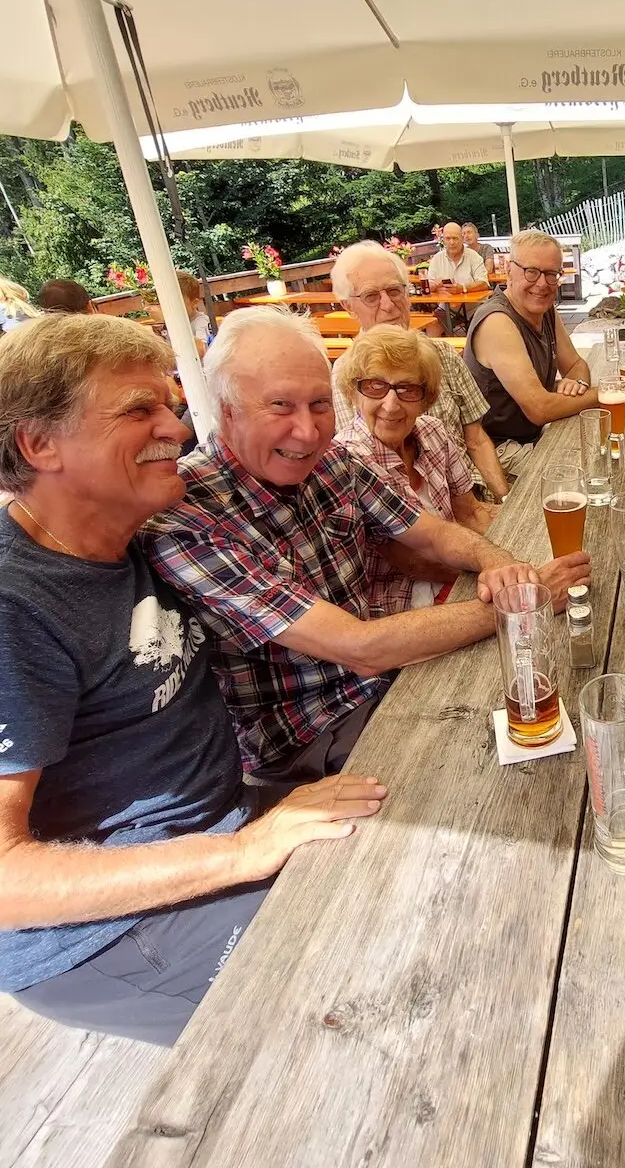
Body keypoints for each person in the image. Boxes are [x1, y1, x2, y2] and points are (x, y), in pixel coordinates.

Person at [0, 314, 385, 1044]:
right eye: (138, 410)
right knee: (366, 995)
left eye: (171, 406)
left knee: (421, 839)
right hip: (104, 936)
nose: (177, 429)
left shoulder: (141, 534)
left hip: (230, 819)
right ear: (38, 444)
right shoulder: (16, 607)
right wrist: (243, 852)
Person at [143, 308, 587, 784]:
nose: (308, 431)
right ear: (225, 409)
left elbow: (432, 531)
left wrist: (498, 561)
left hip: (388, 681)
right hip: (315, 735)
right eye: (279, 406)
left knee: (566, 693)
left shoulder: (329, 461)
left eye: (318, 404)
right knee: (525, 769)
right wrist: (526, 601)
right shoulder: (186, 516)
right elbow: (359, 647)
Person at [331, 240, 509, 500]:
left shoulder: (444, 354)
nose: (388, 305)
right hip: (410, 515)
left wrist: (504, 498)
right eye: (371, 296)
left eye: (394, 291)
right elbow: (364, 468)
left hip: (472, 494)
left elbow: (477, 439)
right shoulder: (347, 375)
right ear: (348, 306)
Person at [336, 326, 495, 614]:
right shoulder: (349, 458)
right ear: (353, 392)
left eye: (407, 388)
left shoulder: (433, 431)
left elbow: (469, 511)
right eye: (375, 386)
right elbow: (413, 562)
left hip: (458, 576)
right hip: (402, 607)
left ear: (426, 398)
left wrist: (511, 555)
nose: (391, 404)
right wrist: (495, 576)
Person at [465, 229, 600, 479]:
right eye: (531, 271)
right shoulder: (497, 321)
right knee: (584, 476)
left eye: (551, 274)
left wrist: (577, 384)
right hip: (499, 450)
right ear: (509, 270)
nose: (542, 284)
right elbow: (539, 408)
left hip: (534, 434)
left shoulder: (545, 311)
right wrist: (602, 395)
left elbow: (575, 364)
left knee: (603, 449)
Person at [428, 222, 489, 334]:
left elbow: (484, 283)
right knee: (432, 324)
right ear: (443, 239)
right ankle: (439, 350)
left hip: (474, 308)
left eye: (455, 238)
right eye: (448, 238)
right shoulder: (437, 258)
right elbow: (428, 286)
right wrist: (436, 285)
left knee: (485, 325)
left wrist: (463, 288)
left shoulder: (473, 256)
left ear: (462, 238)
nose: (451, 242)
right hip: (446, 309)